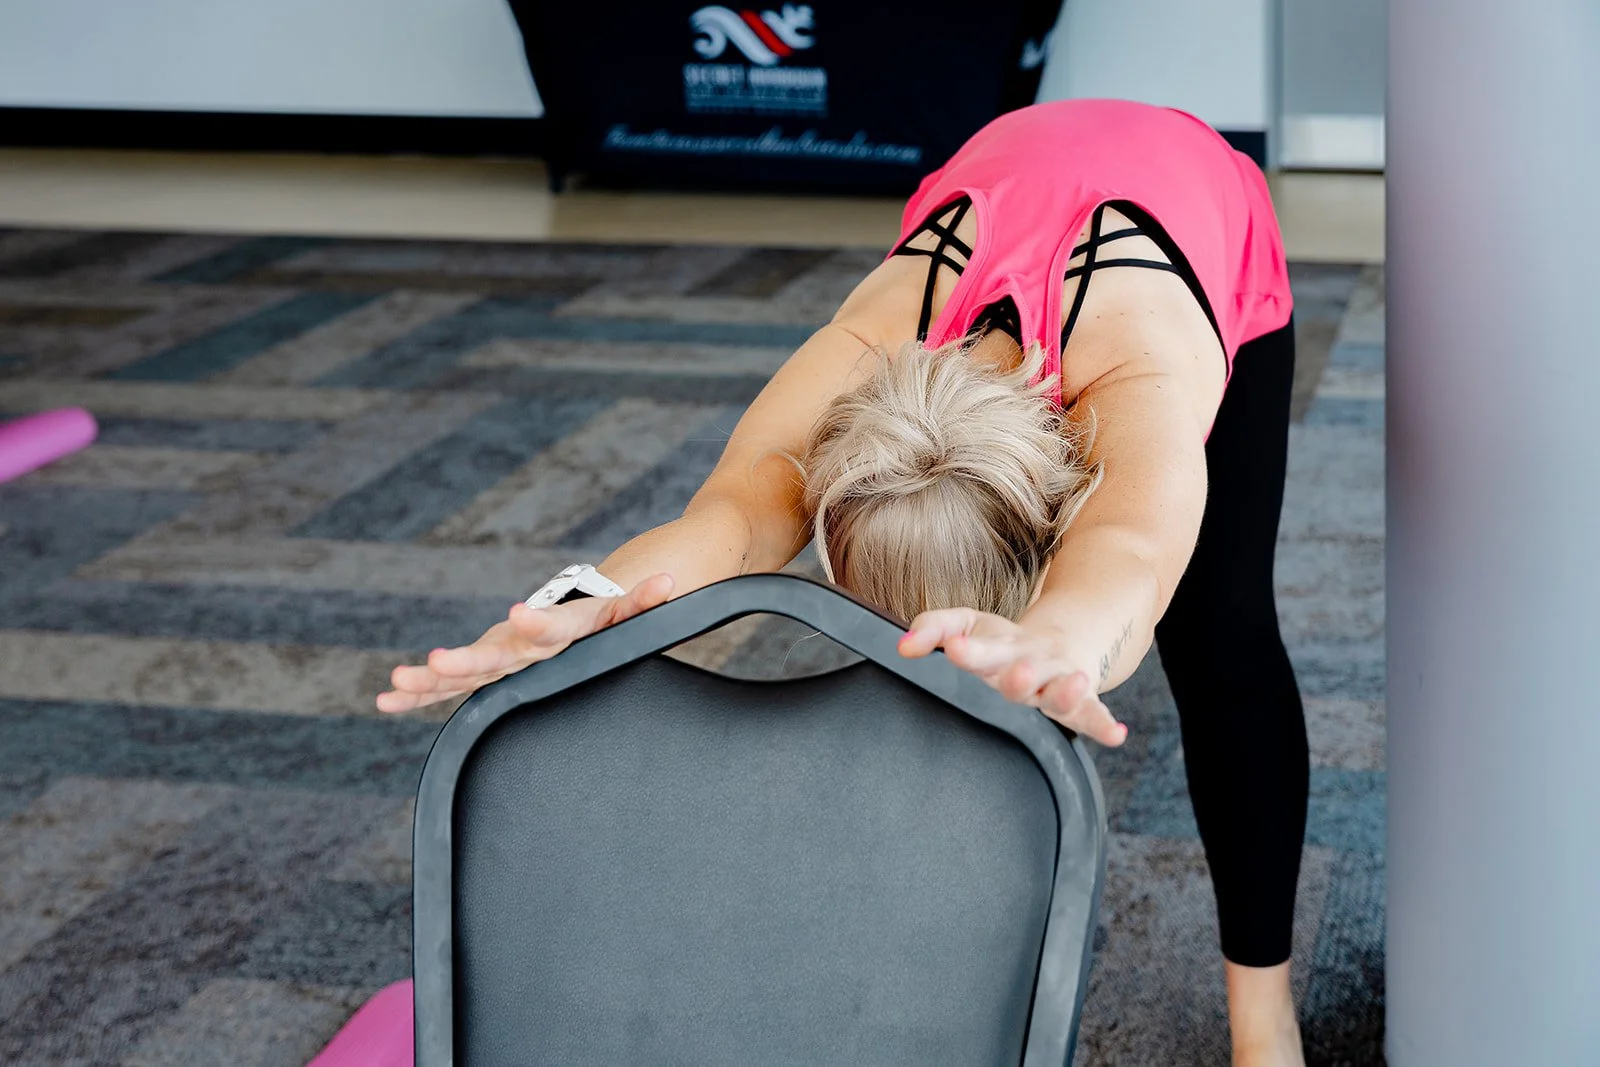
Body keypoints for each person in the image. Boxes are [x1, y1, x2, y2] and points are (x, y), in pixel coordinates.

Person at [379, 97, 1307, 1067]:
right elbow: (730, 518)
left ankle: (1264, 1021)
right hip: (1001, 174)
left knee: (1224, 633)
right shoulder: (865, 349)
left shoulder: (1142, 369)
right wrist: (570, 605)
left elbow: (1129, 549)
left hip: (1195, 209)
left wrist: (1065, 640)